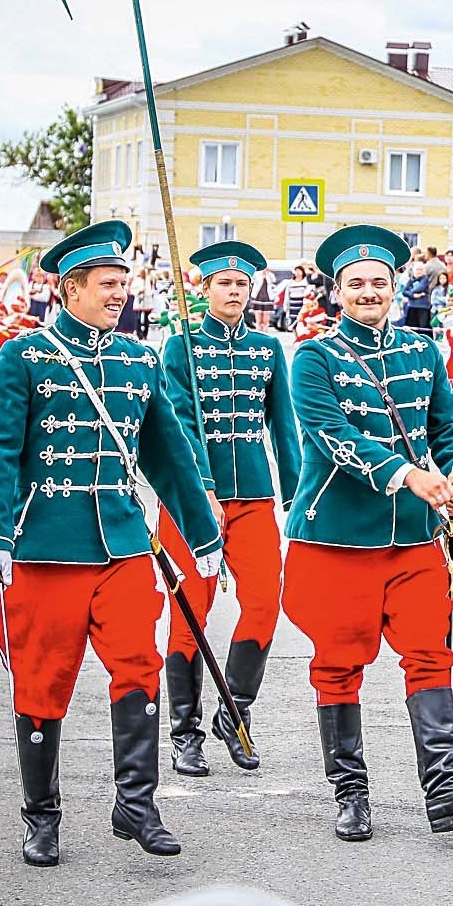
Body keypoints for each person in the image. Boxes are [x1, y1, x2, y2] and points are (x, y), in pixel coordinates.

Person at [0, 220, 223, 866]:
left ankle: (136, 802)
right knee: (42, 681)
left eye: (123, 283)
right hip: (45, 546)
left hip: (122, 544)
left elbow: (170, 456)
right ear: (71, 289)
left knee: (139, 665)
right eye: (108, 284)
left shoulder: (139, 360)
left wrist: (202, 534)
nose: (120, 294)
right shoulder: (24, 357)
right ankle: (42, 817)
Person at [282, 224, 453, 842]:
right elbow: (332, 437)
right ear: (336, 292)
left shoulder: (422, 350)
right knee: (338, 665)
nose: (368, 292)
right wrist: (409, 475)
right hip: (337, 538)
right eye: (355, 283)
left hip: (413, 538)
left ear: (395, 288)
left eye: (379, 282)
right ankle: (350, 794)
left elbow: (449, 427)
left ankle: (446, 790)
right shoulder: (314, 358)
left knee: (430, 653)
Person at [156, 241, 301, 777]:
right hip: (192, 500)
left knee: (264, 602)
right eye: (225, 283)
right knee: (188, 614)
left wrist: (297, 497)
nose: (235, 291)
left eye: (242, 284)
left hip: (254, 496)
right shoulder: (180, 346)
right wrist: (204, 489)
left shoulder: (268, 348)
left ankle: (235, 711)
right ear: (205, 288)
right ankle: (185, 733)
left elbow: (283, 426)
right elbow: (178, 426)